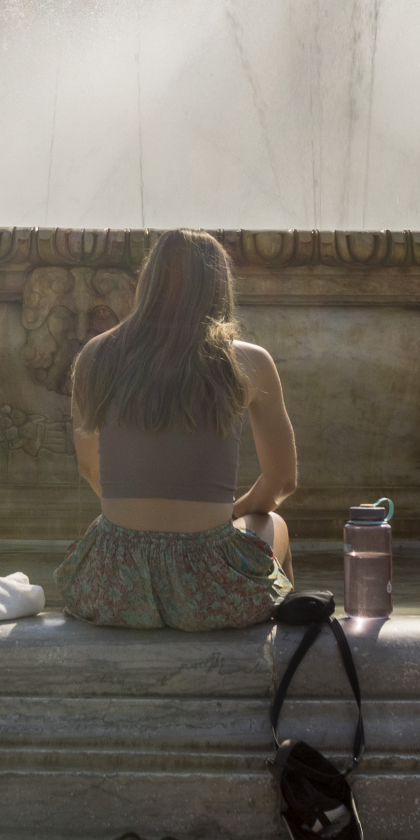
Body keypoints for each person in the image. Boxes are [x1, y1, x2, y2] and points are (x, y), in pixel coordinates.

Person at [56, 229, 299, 631]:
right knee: (274, 526)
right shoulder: (248, 361)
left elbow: (90, 470)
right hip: (209, 591)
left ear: (148, 281)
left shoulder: (94, 356)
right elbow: (282, 481)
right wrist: (231, 513)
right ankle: (281, 665)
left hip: (112, 587)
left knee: (101, 528)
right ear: (219, 286)